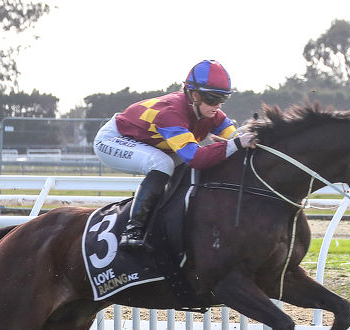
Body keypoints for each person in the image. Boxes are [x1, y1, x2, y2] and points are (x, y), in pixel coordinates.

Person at [93, 60, 257, 250]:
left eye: (223, 100)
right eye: (212, 99)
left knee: (180, 166)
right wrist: (236, 143)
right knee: (163, 164)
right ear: (194, 95)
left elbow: (236, 137)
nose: (218, 106)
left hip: (151, 143)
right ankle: (133, 230)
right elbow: (197, 158)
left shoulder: (213, 113)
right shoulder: (171, 113)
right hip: (114, 139)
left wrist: (249, 136)